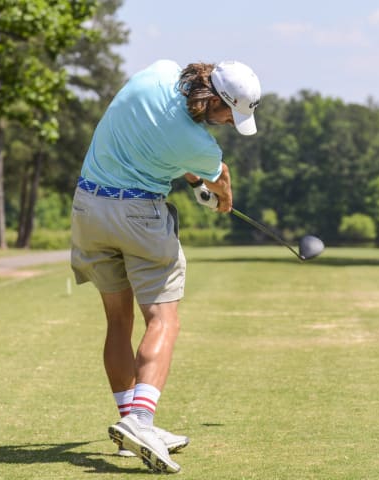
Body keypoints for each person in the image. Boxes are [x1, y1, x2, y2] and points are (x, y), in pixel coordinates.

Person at [70, 59, 261, 474]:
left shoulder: (158, 71)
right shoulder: (203, 146)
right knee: (163, 320)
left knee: (117, 322)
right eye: (229, 113)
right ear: (213, 100)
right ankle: (140, 422)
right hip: (139, 216)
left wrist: (194, 182)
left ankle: (128, 428)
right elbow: (220, 180)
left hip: (87, 207)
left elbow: (160, 138)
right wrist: (221, 199)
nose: (230, 122)